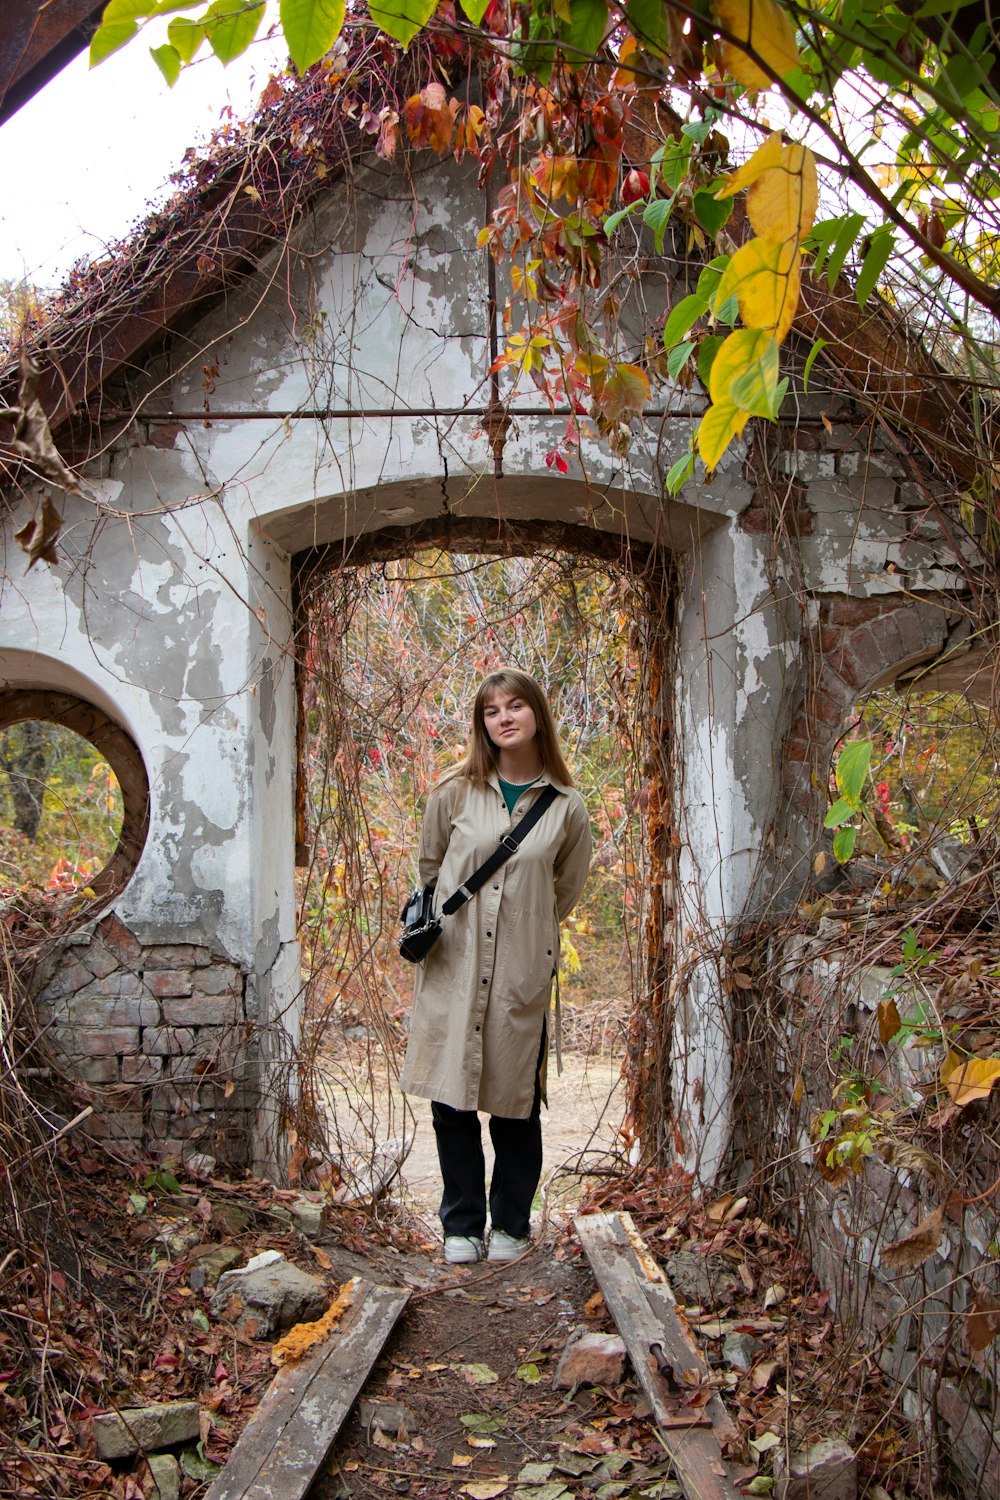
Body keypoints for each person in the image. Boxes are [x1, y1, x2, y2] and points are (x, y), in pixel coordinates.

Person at [399, 669, 592, 1265]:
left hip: (518, 971)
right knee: (450, 1099)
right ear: (481, 724)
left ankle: (511, 1222)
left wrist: (520, 932)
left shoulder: (566, 807)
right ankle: (461, 1225)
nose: (503, 718)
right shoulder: (454, 792)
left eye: (515, 706)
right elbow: (432, 870)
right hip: (454, 967)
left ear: (536, 714)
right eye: (490, 711)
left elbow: (565, 891)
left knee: (515, 1104)